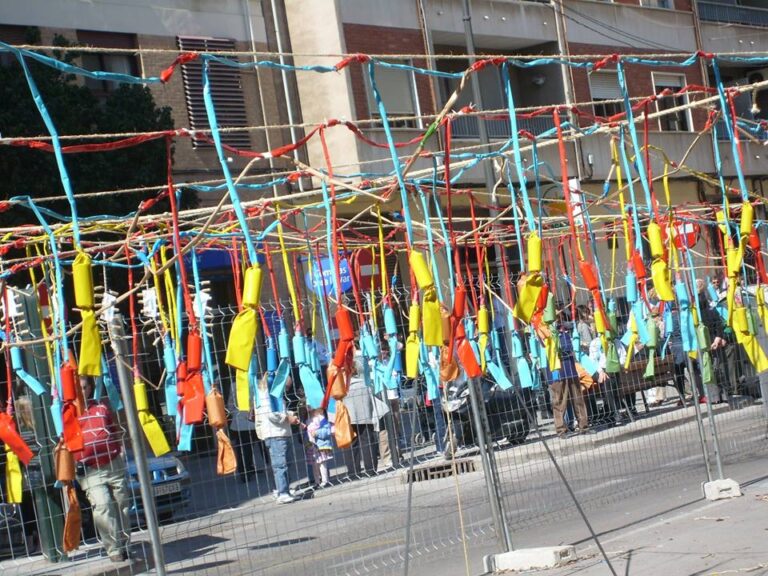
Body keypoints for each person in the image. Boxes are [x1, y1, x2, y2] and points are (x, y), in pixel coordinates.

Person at [74, 376, 130, 562]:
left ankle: (125, 544)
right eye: (78, 387)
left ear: (90, 388)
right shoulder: (68, 412)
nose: (82, 391)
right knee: (103, 505)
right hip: (90, 468)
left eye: (84, 387)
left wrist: (120, 450)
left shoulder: (102, 407)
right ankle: (114, 549)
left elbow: (114, 429)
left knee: (122, 504)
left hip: (113, 462)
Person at [254, 374, 299, 504]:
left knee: (285, 463)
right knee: (281, 464)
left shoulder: (272, 394)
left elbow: (278, 411)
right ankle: (282, 492)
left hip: (280, 432)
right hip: (275, 434)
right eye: (286, 387)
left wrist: (290, 415)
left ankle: (283, 489)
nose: (286, 391)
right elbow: (272, 414)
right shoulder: (267, 395)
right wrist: (287, 417)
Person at [547, 314, 591, 438]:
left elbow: (570, 347)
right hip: (557, 372)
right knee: (559, 402)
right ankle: (561, 430)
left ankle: (584, 425)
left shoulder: (565, 330)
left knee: (578, 399)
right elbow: (559, 349)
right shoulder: (547, 332)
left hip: (570, 369)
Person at [343, 356, 380, 477]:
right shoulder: (365, 386)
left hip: (350, 419)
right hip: (366, 417)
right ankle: (370, 469)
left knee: (351, 444)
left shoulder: (344, 388)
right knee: (367, 442)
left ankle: (353, 472)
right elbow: (371, 403)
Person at [227, 384, 262, 483]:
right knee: (250, 446)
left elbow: (230, 404)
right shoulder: (254, 382)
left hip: (239, 422)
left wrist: (234, 413)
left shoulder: (234, 385)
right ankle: (247, 468)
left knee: (242, 447)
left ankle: (244, 470)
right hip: (252, 420)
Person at [305, 407, 333, 487]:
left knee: (322, 463)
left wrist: (317, 433)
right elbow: (305, 433)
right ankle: (317, 481)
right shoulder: (307, 420)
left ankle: (325, 480)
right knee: (314, 465)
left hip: (320, 446)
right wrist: (306, 440)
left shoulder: (321, 418)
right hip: (311, 446)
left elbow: (327, 430)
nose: (309, 409)